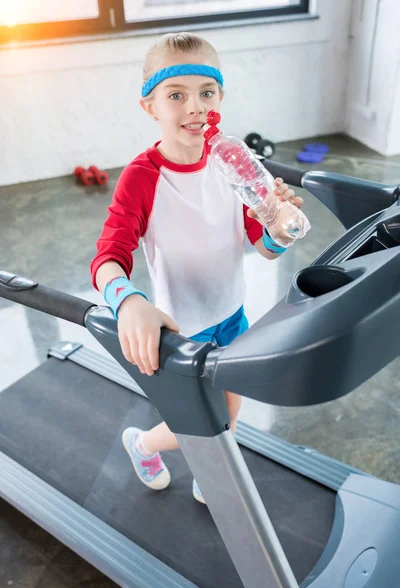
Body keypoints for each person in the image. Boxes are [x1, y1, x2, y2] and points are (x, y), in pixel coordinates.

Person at [90, 32, 304, 505]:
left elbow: (263, 247)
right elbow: (108, 258)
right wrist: (128, 303)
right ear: (150, 106)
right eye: (176, 95)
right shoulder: (142, 178)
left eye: (206, 93)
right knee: (204, 420)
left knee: (228, 409)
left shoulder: (233, 163)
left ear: (220, 98)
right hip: (183, 327)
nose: (194, 107)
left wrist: (279, 228)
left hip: (232, 311)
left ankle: (206, 469)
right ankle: (142, 444)